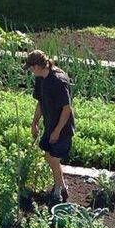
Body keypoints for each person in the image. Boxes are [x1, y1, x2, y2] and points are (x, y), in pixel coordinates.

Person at [25, 49, 74, 206]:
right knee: (49, 157)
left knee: (53, 158)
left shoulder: (58, 81)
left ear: (38, 66)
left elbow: (67, 109)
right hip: (50, 125)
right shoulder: (41, 79)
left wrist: (57, 131)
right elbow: (40, 102)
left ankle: (58, 191)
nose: (30, 71)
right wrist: (34, 123)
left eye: (31, 68)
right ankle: (61, 186)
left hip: (62, 128)